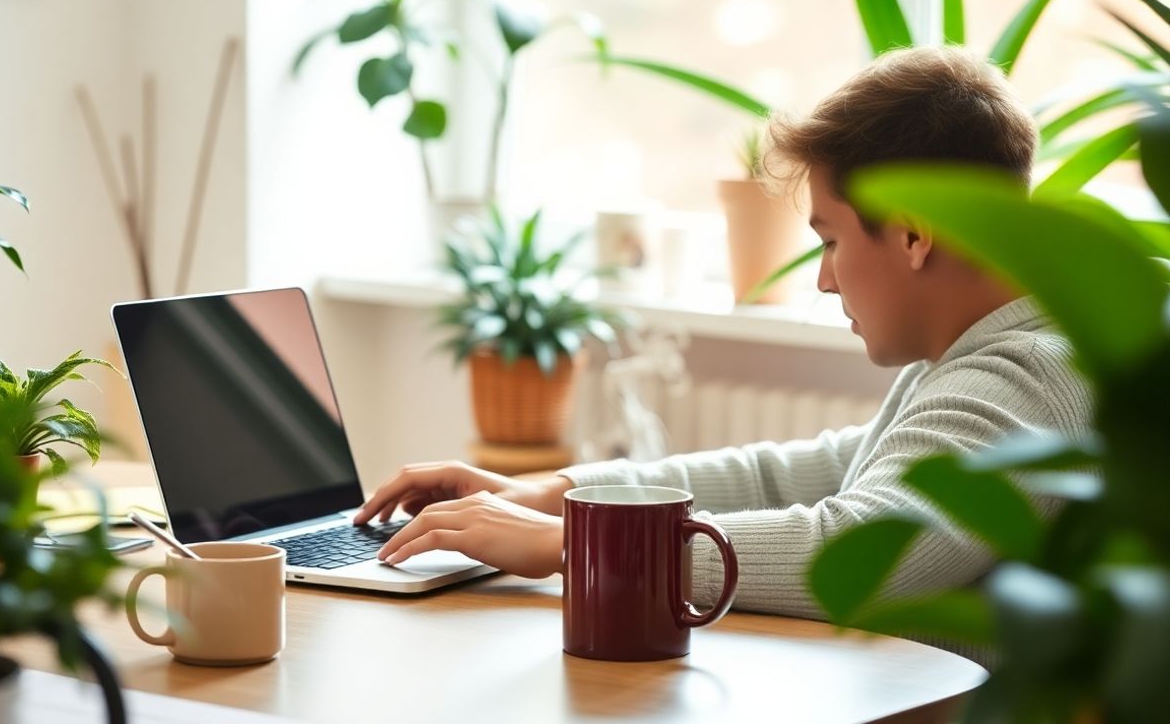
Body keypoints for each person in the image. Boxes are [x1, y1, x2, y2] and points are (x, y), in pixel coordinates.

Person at [353, 46, 1093, 621]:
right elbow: (813, 472)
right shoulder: (1007, 344)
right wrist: (557, 495)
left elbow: (861, 548)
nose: (824, 279)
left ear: (912, 235)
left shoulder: (1024, 374)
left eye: (830, 240)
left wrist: (568, 546)